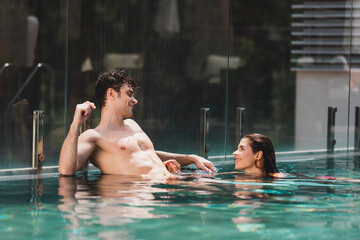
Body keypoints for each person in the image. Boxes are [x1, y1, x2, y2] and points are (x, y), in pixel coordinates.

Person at [59, 70, 215, 179]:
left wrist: (190, 158)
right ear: (111, 94)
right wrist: (75, 124)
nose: (135, 100)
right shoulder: (94, 136)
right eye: (129, 94)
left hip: (168, 185)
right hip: (138, 197)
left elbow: (146, 154)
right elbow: (66, 170)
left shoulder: (132, 125)